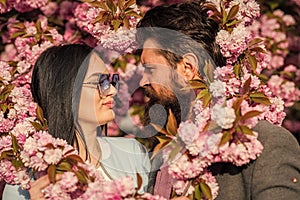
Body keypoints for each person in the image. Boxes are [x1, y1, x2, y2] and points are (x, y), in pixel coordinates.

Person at [135, 1, 300, 199]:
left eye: (150, 69)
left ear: (187, 68)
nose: (143, 81)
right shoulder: (163, 149)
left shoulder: (265, 141)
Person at [2, 44, 150, 199]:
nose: (112, 90)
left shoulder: (133, 153)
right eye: (100, 82)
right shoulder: (25, 184)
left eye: (111, 81)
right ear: (66, 91)